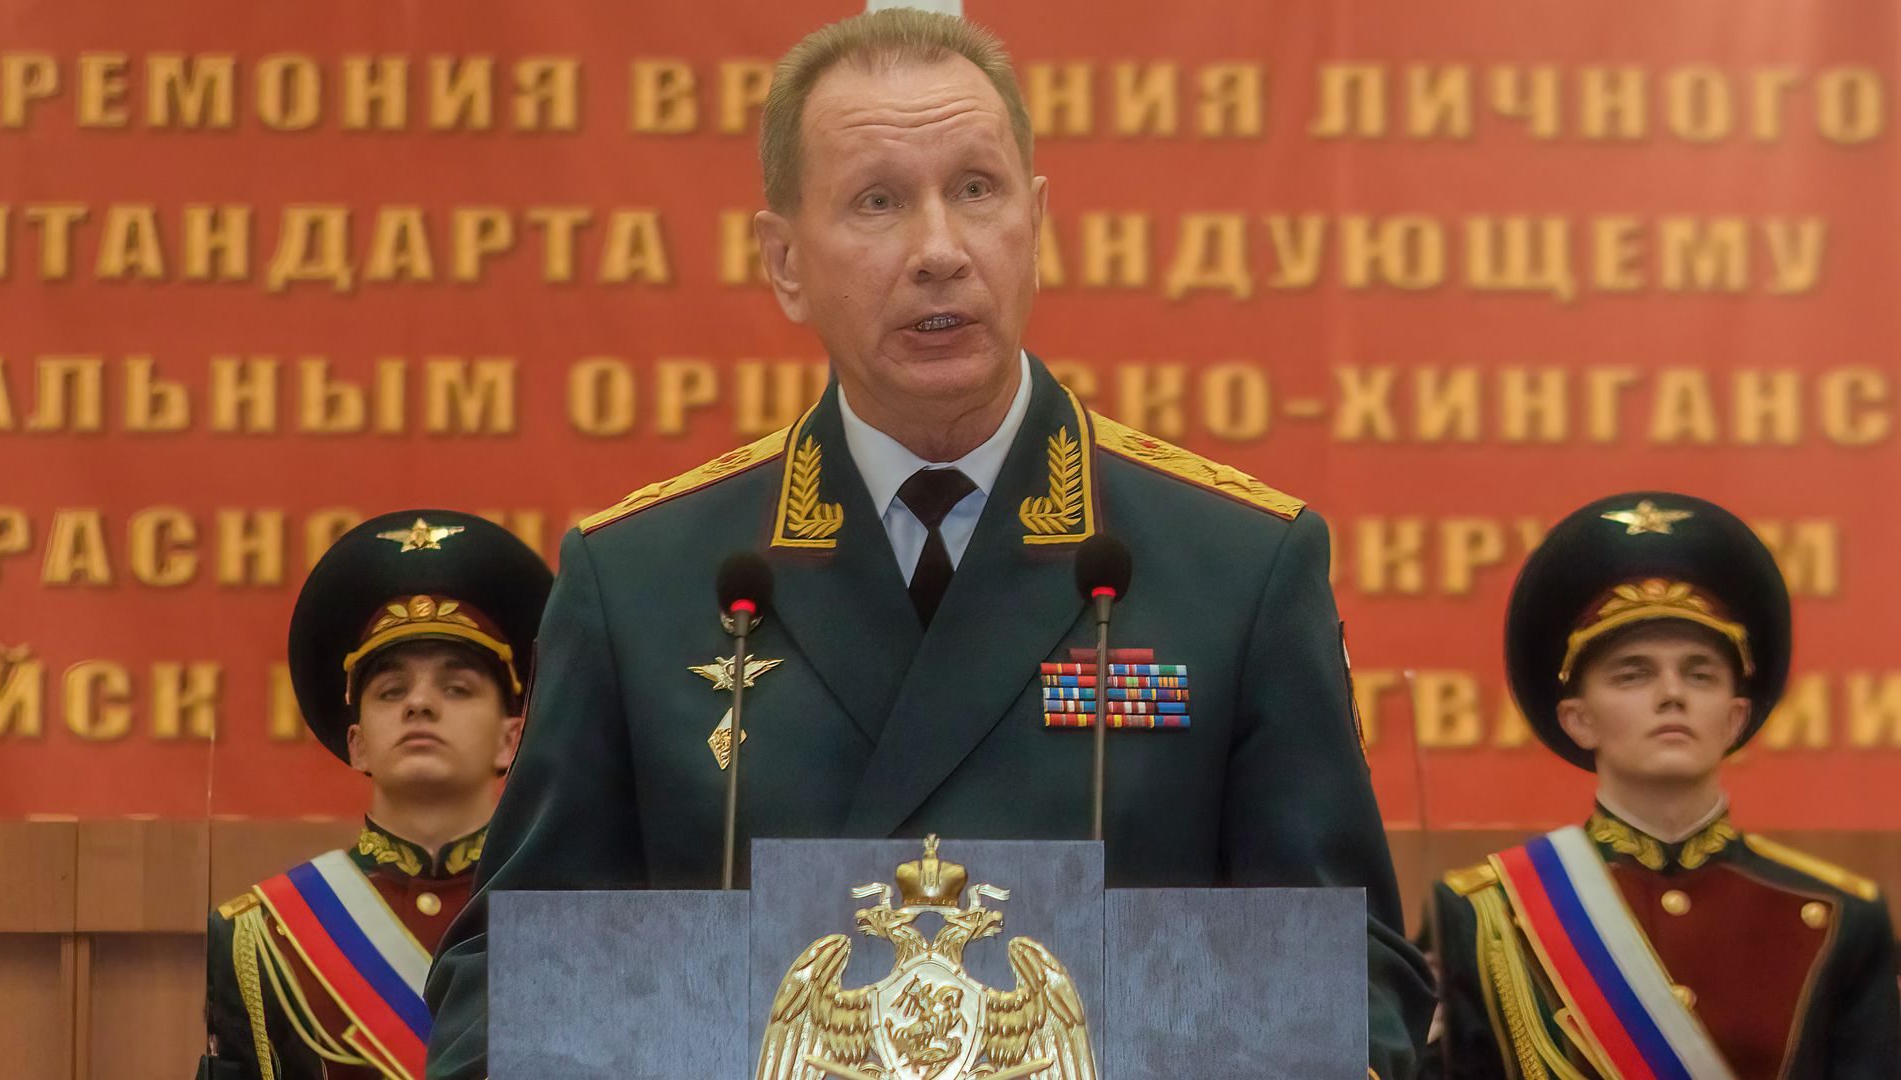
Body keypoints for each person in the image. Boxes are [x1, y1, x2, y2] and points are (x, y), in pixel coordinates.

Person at [426, 11, 1431, 1078]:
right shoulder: (638, 582)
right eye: (878, 201)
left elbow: (1351, 978)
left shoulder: (1237, 566)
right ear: (785, 263)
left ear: (1036, 224)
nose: (940, 251)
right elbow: (506, 986)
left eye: (977, 190)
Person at [1421, 492, 1899, 1078]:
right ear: (1578, 719)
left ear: (1735, 717)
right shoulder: (1483, 915)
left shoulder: (1841, 917)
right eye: (1634, 674)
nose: (1672, 694)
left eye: (1700, 674)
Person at [196, 510, 551, 1080]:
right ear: (357, 744)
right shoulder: (264, 935)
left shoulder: (570, 921)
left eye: (457, 688)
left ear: (512, 739)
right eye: (391, 691)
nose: (420, 704)